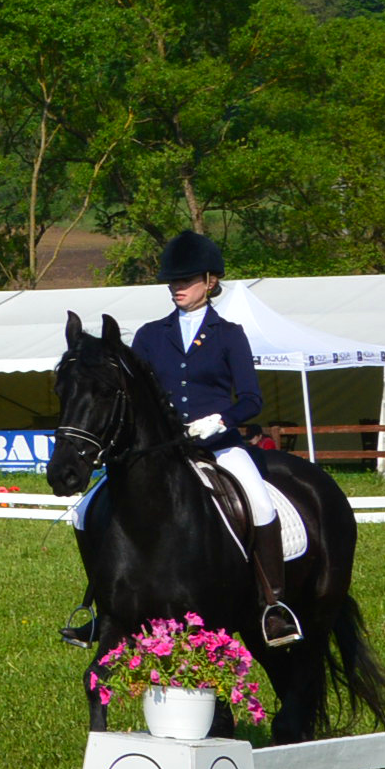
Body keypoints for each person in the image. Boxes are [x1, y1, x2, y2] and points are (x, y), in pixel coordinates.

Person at [132, 231, 302, 647]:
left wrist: (220, 420)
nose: (177, 288)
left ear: (210, 281)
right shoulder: (150, 335)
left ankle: (273, 605)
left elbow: (251, 399)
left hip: (219, 446)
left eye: (186, 281)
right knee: (91, 509)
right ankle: (101, 606)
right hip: (163, 450)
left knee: (260, 504)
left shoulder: (229, 334)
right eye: (172, 282)